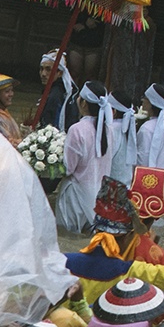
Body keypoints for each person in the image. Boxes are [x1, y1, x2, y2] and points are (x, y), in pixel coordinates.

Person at [53, 85, 115, 234]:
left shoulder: (77, 129)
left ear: (84, 103)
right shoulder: (109, 130)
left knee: (67, 237)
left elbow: (69, 168)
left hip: (75, 196)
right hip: (99, 195)